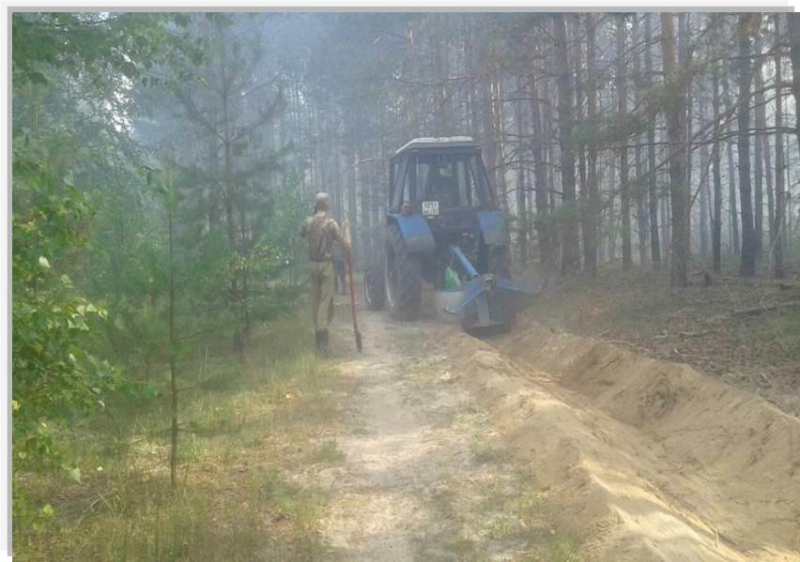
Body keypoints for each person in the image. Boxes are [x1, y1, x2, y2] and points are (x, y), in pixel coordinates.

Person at [300, 192, 349, 352]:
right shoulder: (331, 224)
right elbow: (345, 245)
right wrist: (347, 228)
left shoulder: (308, 221)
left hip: (312, 265)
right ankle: (322, 342)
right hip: (326, 266)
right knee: (325, 302)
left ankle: (319, 335)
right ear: (326, 205)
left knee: (315, 300)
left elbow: (301, 234)